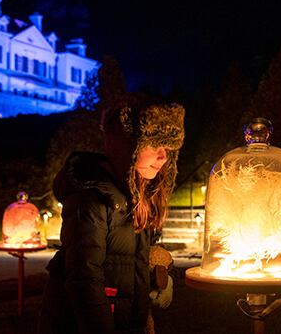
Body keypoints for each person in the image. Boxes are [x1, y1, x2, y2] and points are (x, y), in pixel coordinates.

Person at [38, 92, 185, 334]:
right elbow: (84, 283)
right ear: (125, 147)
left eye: (167, 146)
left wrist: (166, 277)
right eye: (153, 144)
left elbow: (140, 258)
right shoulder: (91, 199)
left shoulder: (140, 199)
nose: (163, 156)